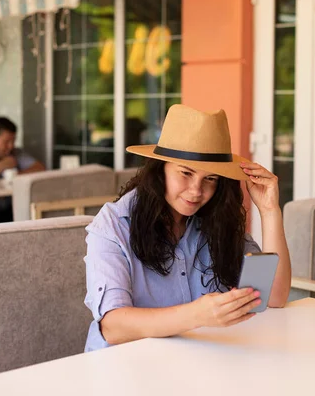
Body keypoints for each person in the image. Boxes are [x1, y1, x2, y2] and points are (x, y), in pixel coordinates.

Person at [84, 104, 291, 352]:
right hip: (122, 370)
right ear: (160, 170)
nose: (196, 191)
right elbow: (113, 327)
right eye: (186, 173)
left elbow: (274, 297)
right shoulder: (113, 224)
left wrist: (269, 211)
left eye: (210, 179)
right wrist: (198, 315)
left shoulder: (215, 219)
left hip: (195, 365)